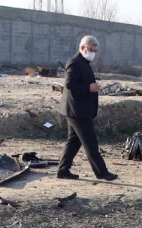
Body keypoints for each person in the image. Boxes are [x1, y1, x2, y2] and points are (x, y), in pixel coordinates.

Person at [57, 35, 117, 181]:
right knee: (90, 142)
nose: (93, 53)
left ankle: (63, 170)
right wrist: (88, 87)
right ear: (82, 47)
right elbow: (69, 84)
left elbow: (80, 81)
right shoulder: (74, 62)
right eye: (90, 50)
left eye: (95, 51)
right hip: (77, 111)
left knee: (74, 141)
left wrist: (92, 85)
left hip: (77, 109)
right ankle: (101, 172)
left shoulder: (83, 62)